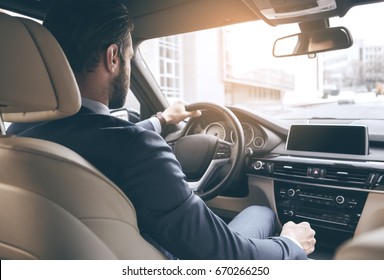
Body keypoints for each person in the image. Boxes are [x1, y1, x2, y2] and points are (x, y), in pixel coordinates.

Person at [9, 0, 316, 259]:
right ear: (113, 58)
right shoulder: (135, 149)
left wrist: (162, 120)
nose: (128, 65)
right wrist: (290, 244)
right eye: (130, 58)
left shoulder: (18, 133)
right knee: (262, 213)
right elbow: (224, 254)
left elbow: (94, 140)